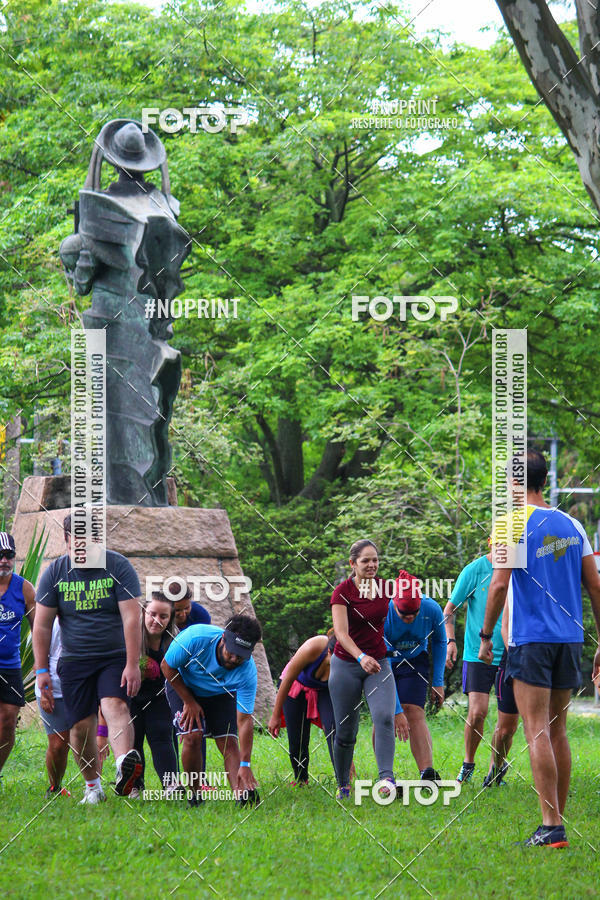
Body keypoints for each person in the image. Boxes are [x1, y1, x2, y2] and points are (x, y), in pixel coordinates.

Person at [479, 449, 600, 847]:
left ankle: (551, 827)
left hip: (531, 640)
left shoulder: (510, 524)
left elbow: (498, 585)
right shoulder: (572, 525)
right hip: (569, 639)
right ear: (543, 480)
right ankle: (556, 822)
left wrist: (485, 636)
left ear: (513, 484)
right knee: (557, 730)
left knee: (536, 731)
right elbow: (595, 587)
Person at [33, 513, 143, 804]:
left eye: (93, 539)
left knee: (115, 704)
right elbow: (42, 625)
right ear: (67, 540)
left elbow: (132, 617)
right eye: (79, 539)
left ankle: (123, 767)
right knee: (81, 728)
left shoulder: (118, 566)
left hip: (113, 656)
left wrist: (133, 664)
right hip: (74, 660)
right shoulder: (55, 572)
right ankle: (93, 788)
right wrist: (42, 669)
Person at [328, 539, 409, 800]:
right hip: (346, 665)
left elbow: (404, 611)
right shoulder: (342, 592)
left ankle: (386, 778)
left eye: (375, 559)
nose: (372, 564)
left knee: (384, 716)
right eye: (366, 560)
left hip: (379, 663)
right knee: (346, 730)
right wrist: (360, 656)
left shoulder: (386, 588)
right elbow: (340, 633)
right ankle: (343, 784)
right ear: (353, 564)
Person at [161, 614, 262, 806]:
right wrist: (189, 701)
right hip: (183, 686)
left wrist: (245, 764)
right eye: (231, 652)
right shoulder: (196, 638)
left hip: (220, 693)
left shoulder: (248, 672)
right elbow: (166, 666)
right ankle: (196, 793)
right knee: (192, 736)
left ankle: (242, 795)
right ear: (223, 638)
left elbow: (244, 720)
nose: (234, 659)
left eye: (240, 656)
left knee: (229, 742)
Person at [444, 540, 508, 784]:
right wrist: (451, 641)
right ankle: (468, 763)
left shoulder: (519, 571)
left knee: (506, 723)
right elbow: (449, 610)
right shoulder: (475, 570)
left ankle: (495, 770)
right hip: (477, 652)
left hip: (510, 653)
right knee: (478, 712)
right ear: (491, 543)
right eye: (499, 542)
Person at [384, 570, 446, 780]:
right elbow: (384, 659)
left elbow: (439, 641)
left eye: (414, 614)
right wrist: (395, 710)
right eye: (404, 615)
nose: (410, 619)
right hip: (385, 661)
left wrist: (438, 682)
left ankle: (427, 773)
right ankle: (386, 776)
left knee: (415, 711)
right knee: (383, 716)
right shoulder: (384, 612)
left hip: (415, 659)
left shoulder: (432, 608)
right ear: (395, 605)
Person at [268, 630, 337, 784]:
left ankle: (343, 780)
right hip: (294, 686)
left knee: (334, 730)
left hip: (322, 691)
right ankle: (301, 779)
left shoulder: (345, 665)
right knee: (297, 738)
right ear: (328, 652)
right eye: (336, 658)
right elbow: (287, 680)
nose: (340, 664)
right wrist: (275, 715)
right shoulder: (314, 646)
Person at [129, 592, 179, 798]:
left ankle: (171, 785)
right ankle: (134, 786)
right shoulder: (129, 635)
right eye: (152, 614)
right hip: (131, 696)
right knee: (134, 740)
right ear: (143, 612)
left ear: (170, 619)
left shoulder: (176, 640)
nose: (157, 620)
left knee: (161, 735)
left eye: (163, 616)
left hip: (161, 696)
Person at [0, 532, 36, 783]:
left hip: (10, 666)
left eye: (9, 555)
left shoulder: (24, 587)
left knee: (8, 721)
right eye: (0, 555)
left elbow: (40, 628)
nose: (4, 560)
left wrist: (44, 667)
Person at [35, 618, 71, 797]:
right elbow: (38, 661)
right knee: (58, 745)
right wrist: (44, 690)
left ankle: (94, 788)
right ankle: (55, 787)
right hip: (53, 689)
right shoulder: (50, 620)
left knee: (87, 739)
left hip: (83, 685)